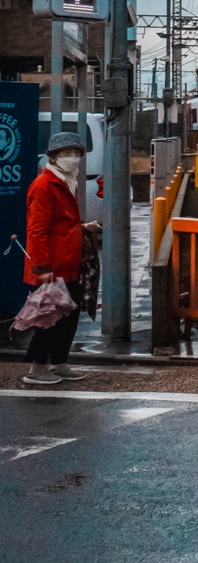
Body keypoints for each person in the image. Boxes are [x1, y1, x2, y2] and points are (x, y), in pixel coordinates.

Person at [22, 132, 93, 388]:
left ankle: (59, 362)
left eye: (76, 153)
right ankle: (37, 368)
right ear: (52, 157)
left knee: (67, 315)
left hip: (69, 263)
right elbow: (37, 230)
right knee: (48, 318)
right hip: (52, 266)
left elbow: (63, 222)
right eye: (66, 154)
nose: (73, 158)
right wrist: (41, 268)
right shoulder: (44, 185)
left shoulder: (65, 181)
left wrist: (82, 227)